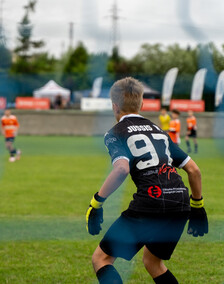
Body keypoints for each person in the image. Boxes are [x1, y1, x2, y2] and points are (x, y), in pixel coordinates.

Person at [86, 77, 208, 284]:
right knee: (153, 263)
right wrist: (198, 207)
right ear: (142, 104)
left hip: (150, 202)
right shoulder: (159, 131)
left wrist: (97, 203)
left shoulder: (115, 133)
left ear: (114, 106)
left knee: (102, 258)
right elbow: (193, 170)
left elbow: (122, 169)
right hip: (180, 202)